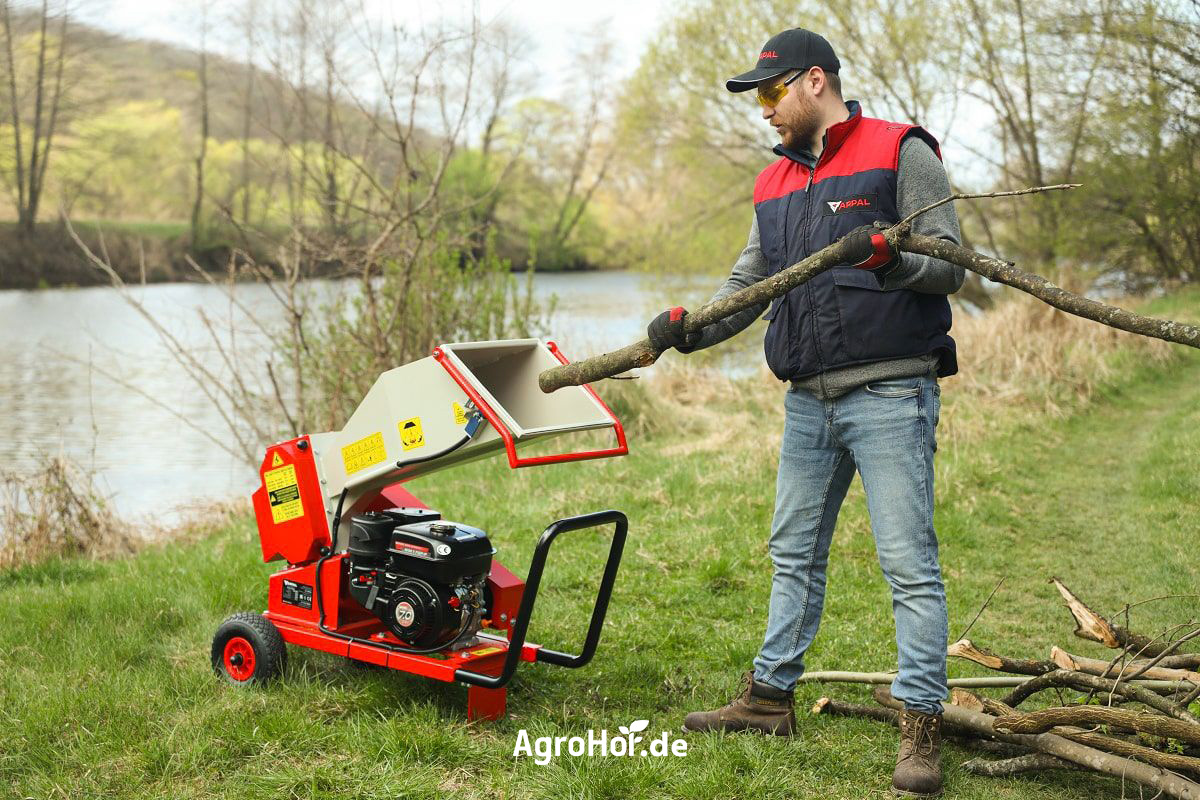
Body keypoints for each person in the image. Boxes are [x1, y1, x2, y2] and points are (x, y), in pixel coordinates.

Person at [649, 28, 963, 798]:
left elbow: (951, 264)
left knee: (908, 567)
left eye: (769, 92)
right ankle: (768, 701)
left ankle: (921, 724)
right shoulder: (773, 185)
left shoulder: (900, 151)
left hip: (891, 390)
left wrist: (891, 258)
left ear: (813, 80)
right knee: (793, 552)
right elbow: (749, 284)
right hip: (808, 403)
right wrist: (690, 331)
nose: (763, 110)